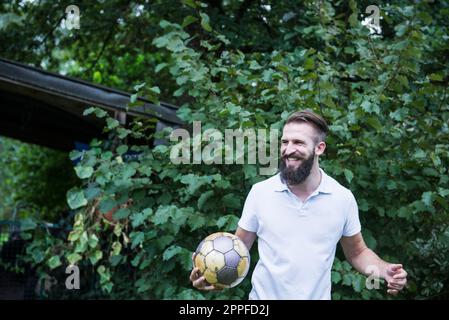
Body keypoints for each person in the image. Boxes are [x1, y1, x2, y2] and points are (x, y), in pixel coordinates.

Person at [190, 110, 408, 299]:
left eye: (298, 142)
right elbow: (238, 249)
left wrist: (383, 269)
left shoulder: (342, 198)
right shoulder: (261, 193)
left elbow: (358, 253)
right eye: (285, 142)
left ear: (319, 148)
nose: (288, 149)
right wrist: (214, 276)